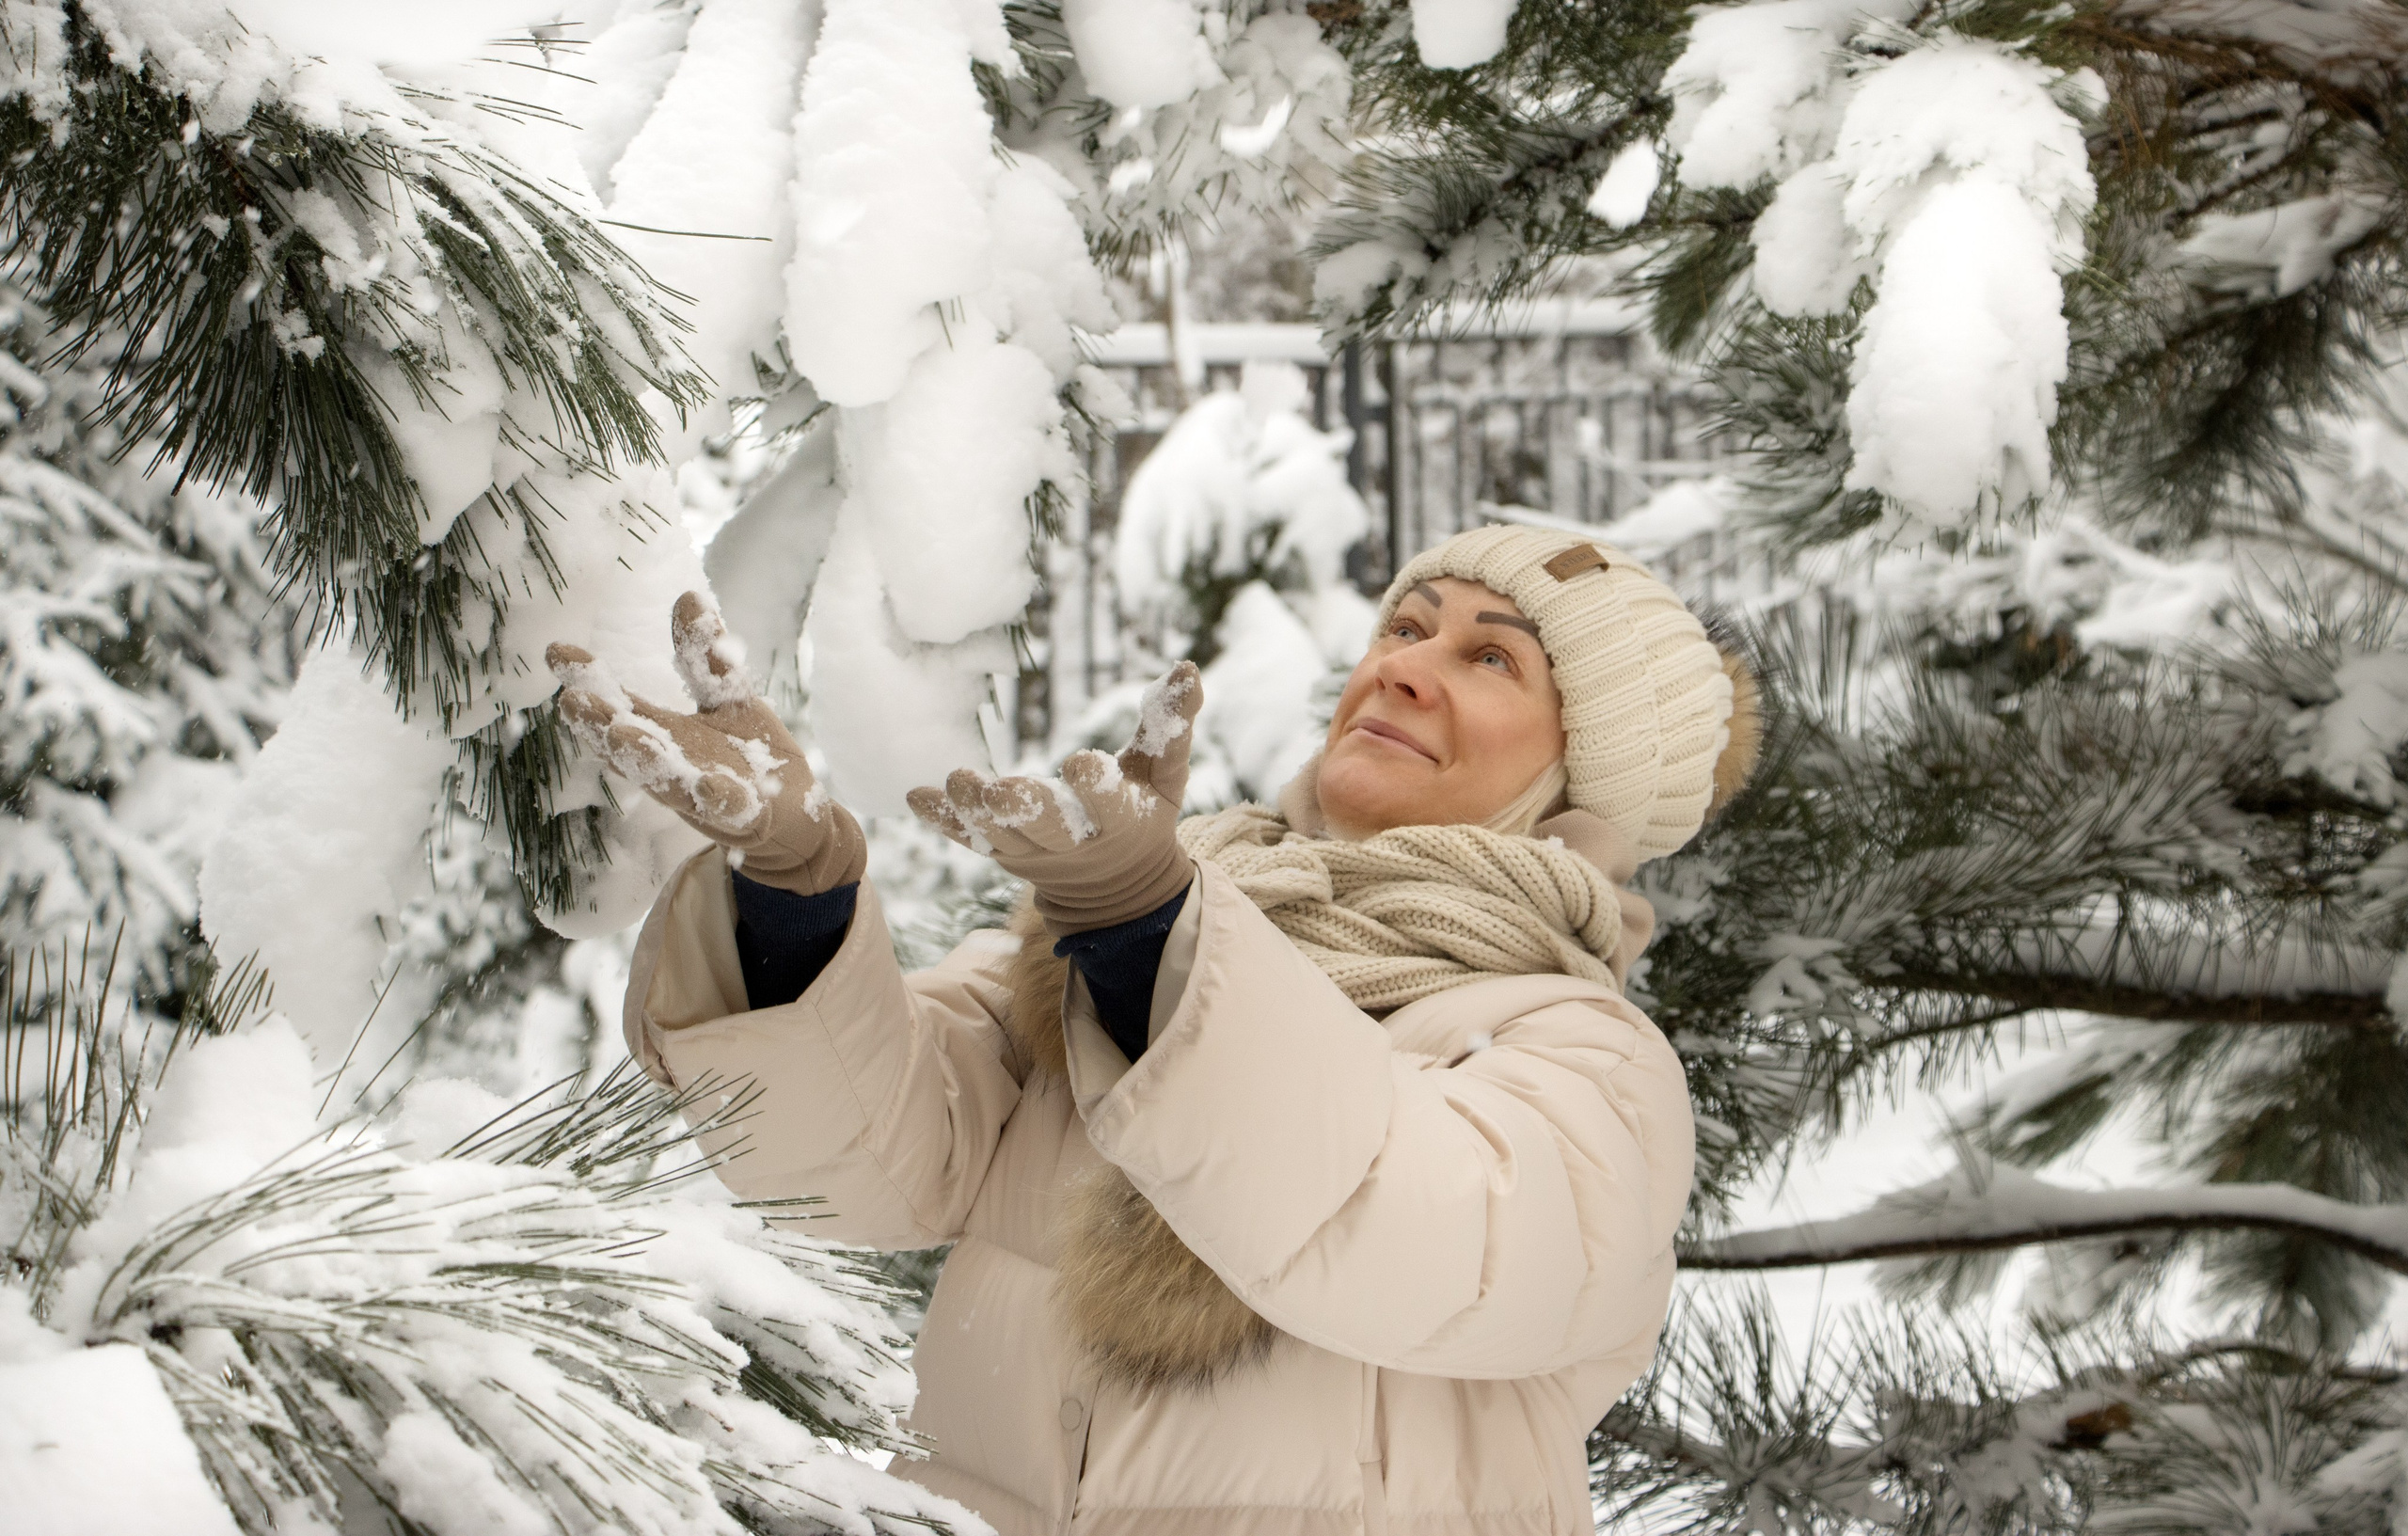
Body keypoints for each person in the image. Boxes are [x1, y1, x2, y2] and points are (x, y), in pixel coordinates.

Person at [547, 525, 1762, 1536]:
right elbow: (862, 1163)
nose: (1404, 666)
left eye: (1491, 658)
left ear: (1579, 782)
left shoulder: (1591, 1066)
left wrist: (1152, 941)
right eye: (1406, 625)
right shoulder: (1157, 915)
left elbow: (1395, 1216)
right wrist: (791, 889)